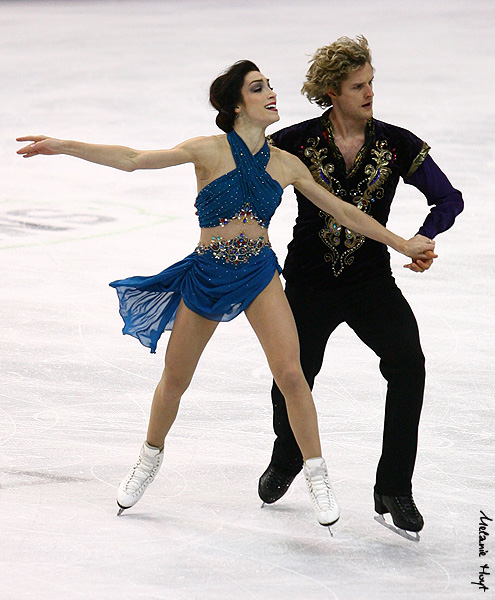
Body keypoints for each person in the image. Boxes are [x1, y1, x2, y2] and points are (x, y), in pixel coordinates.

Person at [17, 59, 434, 529]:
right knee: (176, 379)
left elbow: (345, 212)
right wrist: (64, 146)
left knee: (292, 375)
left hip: (258, 274)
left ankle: (318, 477)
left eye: (270, 86)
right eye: (259, 88)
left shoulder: (285, 163)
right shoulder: (207, 150)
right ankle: (147, 460)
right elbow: (133, 159)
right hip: (209, 274)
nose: (272, 93)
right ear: (238, 104)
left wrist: (400, 242)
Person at [257, 37, 463, 534]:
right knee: (293, 375)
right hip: (307, 281)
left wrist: (423, 236)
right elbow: (255, 198)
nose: (369, 92)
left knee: (408, 366)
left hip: (371, 281)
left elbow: (448, 199)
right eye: (358, 86)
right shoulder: (293, 142)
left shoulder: (397, 143)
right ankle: (288, 456)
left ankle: (394, 488)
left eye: (371, 82)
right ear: (332, 91)